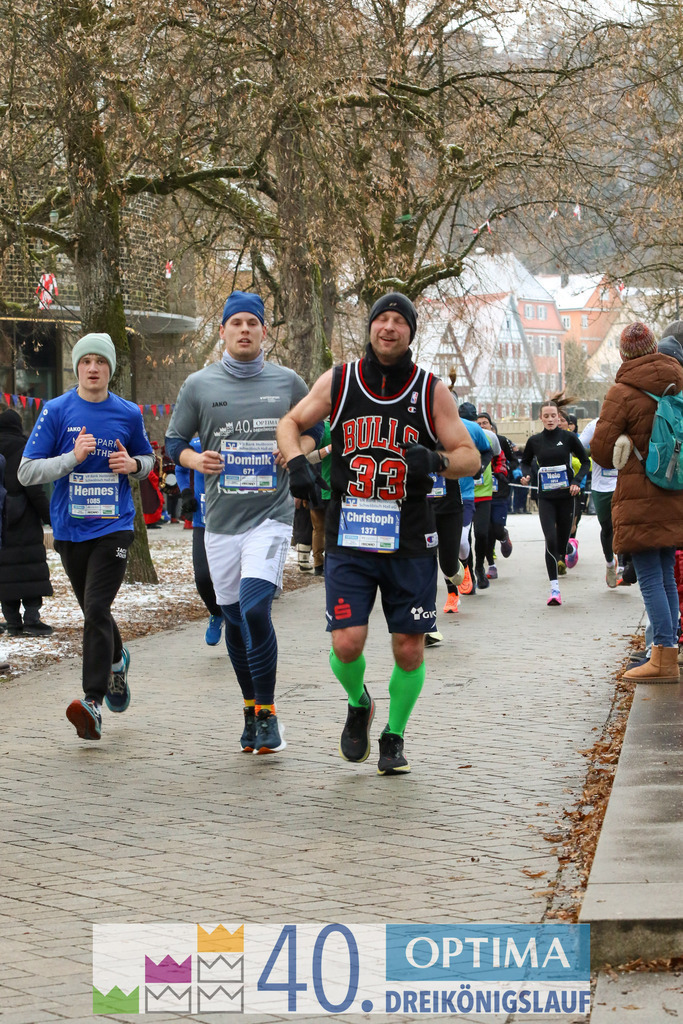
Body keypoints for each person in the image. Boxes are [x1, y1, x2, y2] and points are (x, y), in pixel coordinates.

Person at [276, 291, 479, 775]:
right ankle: (357, 701)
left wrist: (437, 461)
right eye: (381, 319)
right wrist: (297, 461)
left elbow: (470, 455)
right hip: (351, 534)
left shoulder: (430, 391)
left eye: (398, 321)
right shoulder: (341, 381)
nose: (388, 328)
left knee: (408, 646)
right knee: (346, 643)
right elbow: (291, 422)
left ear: (411, 332)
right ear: (370, 327)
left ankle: (394, 736)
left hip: (409, 537)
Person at [165, 290, 322, 755]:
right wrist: (196, 459)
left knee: (256, 609)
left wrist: (296, 450)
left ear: (264, 332)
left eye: (253, 323)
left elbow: (320, 430)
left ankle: (271, 715)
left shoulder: (288, 382)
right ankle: (250, 708)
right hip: (220, 522)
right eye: (236, 323)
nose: (245, 330)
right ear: (223, 332)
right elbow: (174, 442)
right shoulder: (199, 385)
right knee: (233, 620)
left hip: (270, 518)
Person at [18, 332, 154, 740]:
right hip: (70, 530)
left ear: (111, 369)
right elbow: (27, 471)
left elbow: (148, 459)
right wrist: (71, 459)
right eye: (86, 361)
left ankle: (92, 703)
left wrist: (132, 464)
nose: (93, 368)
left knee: (96, 608)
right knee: (94, 612)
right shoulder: (57, 410)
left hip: (114, 527)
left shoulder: (128, 413)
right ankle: (116, 660)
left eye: (101, 361)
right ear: (77, 366)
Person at [592, 323, 683, 682]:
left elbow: (600, 451)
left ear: (623, 355)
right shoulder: (678, 381)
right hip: (674, 490)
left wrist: (627, 436)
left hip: (640, 495)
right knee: (665, 576)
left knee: (649, 576)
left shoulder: (623, 391)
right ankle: (669, 650)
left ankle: (660, 657)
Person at [520, 400, 590, 606]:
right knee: (550, 540)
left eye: (554, 416)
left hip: (567, 497)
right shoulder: (535, 441)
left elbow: (585, 462)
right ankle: (554, 589)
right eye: (546, 416)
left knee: (560, 542)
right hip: (546, 498)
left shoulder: (568, 438)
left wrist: (577, 481)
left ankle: (569, 547)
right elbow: (525, 461)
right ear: (541, 418)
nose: (550, 420)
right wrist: (526, 476)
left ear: (559, 418)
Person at [0, 405, 53, 636]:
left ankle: (13, 624)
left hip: (1, 521)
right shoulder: (25, 449)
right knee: (30, 569)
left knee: (5, 574)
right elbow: (34, 489)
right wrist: (50, 517)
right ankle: (32, 619)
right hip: (25, 520)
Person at [175, 436, 225, 646]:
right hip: (203, 521)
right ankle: (216, 613)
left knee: (234, 578)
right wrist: (186, 492)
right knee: (203, 577)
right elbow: (180, 468)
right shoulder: (195, 443)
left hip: (235, 521)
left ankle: (239, 621)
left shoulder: (238, 438)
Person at [579, 417, 619, 588]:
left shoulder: (626, 420)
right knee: (607, 527)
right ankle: (610, 564)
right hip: (601, 486)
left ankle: (624, 565)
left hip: (622, 483)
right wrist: (595, 450)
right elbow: (578, 448)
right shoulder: (594, 425)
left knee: (623, 525)